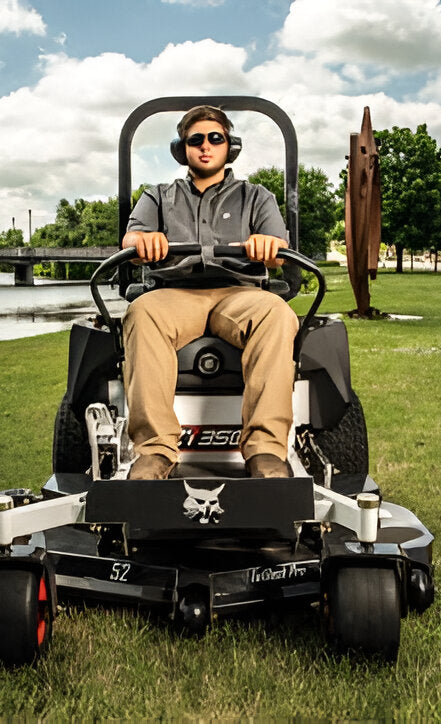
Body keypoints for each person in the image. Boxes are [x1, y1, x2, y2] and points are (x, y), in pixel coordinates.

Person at [121, 105, 298, 480]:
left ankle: (266, 451)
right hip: (175, 294)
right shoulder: (158, 197)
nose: (205, 145)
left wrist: (267, 245)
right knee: (142, 311)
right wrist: (143, 242)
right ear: (181, 148)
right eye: (195, 139)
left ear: (229, 146)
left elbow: (279, 250)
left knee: (277, 313)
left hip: (240, 294)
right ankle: (156, 451)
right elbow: (132, 239)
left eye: (215, 138)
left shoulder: (256, 197)